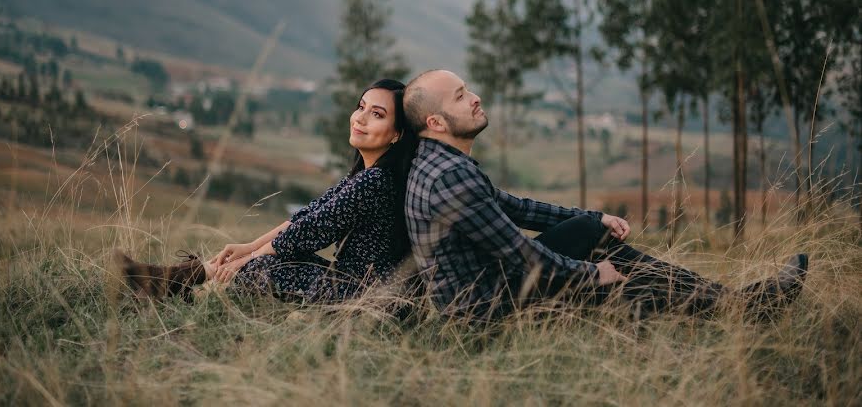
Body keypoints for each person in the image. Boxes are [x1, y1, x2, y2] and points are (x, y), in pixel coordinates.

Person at [402, 69, 808, 321]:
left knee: (592, 234)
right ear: (436, 121)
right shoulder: (451, 179)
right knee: (608, 272)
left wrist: (594, 218)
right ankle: (738, 308)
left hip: (487, 291)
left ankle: (734, 304)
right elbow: (521, 254)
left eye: (466, 88)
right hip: (484, 312)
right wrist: (590, 273)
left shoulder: (445, 164)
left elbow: (519, 209)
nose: (474, 97)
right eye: (460, 96)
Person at [115, 79, 417, 304]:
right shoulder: (365, 174)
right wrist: (248, 246)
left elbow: (310, 232)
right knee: (257, 261)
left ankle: (172, 283)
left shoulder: (377, 180)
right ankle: (172, 282)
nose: (361, 118)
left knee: (258, 268)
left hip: (371, 299)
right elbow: (307, 216)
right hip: (353, 285)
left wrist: (249, 258)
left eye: (377, 114)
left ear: (397, 134)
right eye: (361, 107)